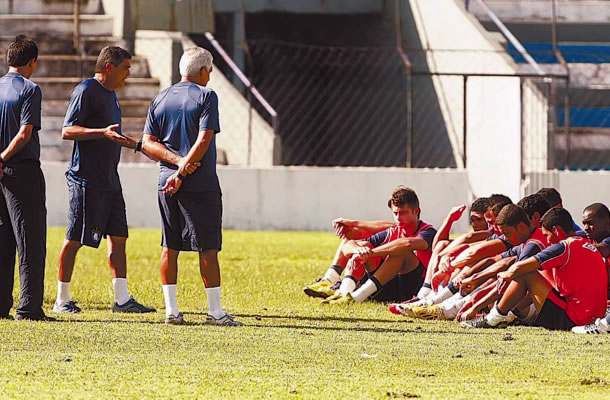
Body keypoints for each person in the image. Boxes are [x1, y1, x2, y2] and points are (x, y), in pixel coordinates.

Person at [142, 47, 242, 326]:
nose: (209, 77)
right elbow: (204, 139)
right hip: (200, 183)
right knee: (207, 247)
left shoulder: (160, 97)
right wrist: (184, 170)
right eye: (209, 71)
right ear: (203, 71)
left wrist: (174, 167)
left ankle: (171, 311)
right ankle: (215, 312)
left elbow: (148, 143)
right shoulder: (207, 96)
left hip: (166, 183)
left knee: (169, 245)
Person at [54, 46, 155, 314]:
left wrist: (129, 143)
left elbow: (110, 135)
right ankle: (61, 300)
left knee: (119, 237)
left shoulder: (112, 96)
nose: (129, 74)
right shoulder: (86, 90)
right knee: (74, 239)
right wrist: (101, 132)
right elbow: (67, 130)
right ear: (109, 67)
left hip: (110, 179)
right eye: (125, 68)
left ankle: (121, 299)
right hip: (85, 179)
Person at [462, 207, 607, 331]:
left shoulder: (562, 246)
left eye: (547, 235)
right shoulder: (584, 243)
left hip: (575, 320)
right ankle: (505, 315)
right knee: (539, 272)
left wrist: (475, 305)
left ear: (556, 230)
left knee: (526, 274)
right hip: (592, 317)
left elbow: (517, 269)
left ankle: (493, 319)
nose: (547, 241)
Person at [0, 35, 51, 321]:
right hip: (21, 169)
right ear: (32, 62)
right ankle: (29, 306)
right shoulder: (30, 90)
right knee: (29, 239)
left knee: (2, 238)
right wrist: (4, 157)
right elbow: (24, 132)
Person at [321, 187, 436, 305]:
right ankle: (344, 292)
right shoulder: (392, 230)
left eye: (403, 213)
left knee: (401, 252)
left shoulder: (428, 232)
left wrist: (372, 252)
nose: (398, 218)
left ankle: (356, 296)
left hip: (411, 290)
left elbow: (408, 243)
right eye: (395, 213)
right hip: (386, 287)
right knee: (362, 245)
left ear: (416, 211)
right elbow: (348, 245)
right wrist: (359, 250)